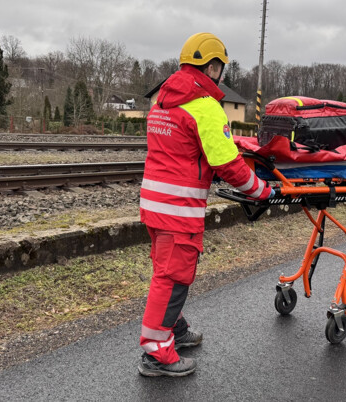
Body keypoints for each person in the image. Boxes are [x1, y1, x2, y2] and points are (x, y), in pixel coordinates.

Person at [137, 32, 274, 377]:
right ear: (212, 67)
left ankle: (176, 331)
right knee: (173, 277)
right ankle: (156, 353)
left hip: (154, 203)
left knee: (166, 272)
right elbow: (228, 164)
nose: (221, 75)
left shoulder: (162, 101)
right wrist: (261, 191)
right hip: (178, 209)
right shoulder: (205, 107)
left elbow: (180, 152)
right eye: (220, 68)